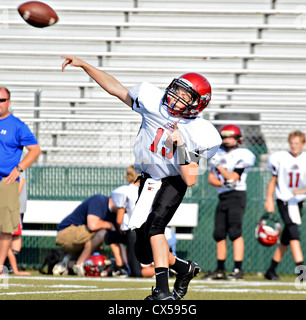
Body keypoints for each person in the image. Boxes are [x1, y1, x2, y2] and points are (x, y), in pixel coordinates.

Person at [61, 56, 221, 300]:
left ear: (198, 104)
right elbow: (117, 89)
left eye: (185, 95)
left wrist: (179, 146)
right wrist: (84, 65)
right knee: (142, 252)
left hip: (173, 179)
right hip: (148, 178)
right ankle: (183, 268)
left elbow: (190, 178)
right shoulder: (153, 102)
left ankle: (162, 291)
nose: (177, 96)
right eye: (177, 89)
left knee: (156, 227)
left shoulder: (202, 132)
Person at [202, 124, 255, 281]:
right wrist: (223, 183)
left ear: (238, 139)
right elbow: (211, 179)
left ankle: (238, 269)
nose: (226, 140)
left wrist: (220, 167)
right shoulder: (218, 153)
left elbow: (233, 178)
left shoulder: (243, 154)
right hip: (223, 196)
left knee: (235, 232)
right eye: (224, 137)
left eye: (230, 137)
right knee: (219, 233)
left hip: (237, 196)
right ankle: (220, 269)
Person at [0, 87, 42, 275]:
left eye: (2, 100)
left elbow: (35, 150)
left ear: (9, 101)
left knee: (6, 227)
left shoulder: (17, 125)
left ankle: (1, 265)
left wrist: (19, 169)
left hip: (6, 181)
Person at [264, 131, 306, 281]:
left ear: (303, 144)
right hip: (284, 200)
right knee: (294, 233)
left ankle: (271, 270)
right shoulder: (280, 158)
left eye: (297, 143)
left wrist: (301, 191)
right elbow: (274, 180)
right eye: (292, 143)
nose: (294, 146)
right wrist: (269, 199)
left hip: (298, 202)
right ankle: (302, 272)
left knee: (286, 238)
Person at [55, 194, 117, 276]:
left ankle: (68, 263)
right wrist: (110, 225)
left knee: (101, 264)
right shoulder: (99, 200)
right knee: (102, 233)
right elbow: (92, 225)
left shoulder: (114, 214)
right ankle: (79, 265)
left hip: (82, 238)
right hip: (66, 233)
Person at [4, 171, 31, 275]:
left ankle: (10, 266)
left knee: (12, 235)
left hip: (12, 206)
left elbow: (21, 181)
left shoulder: (15, 159)